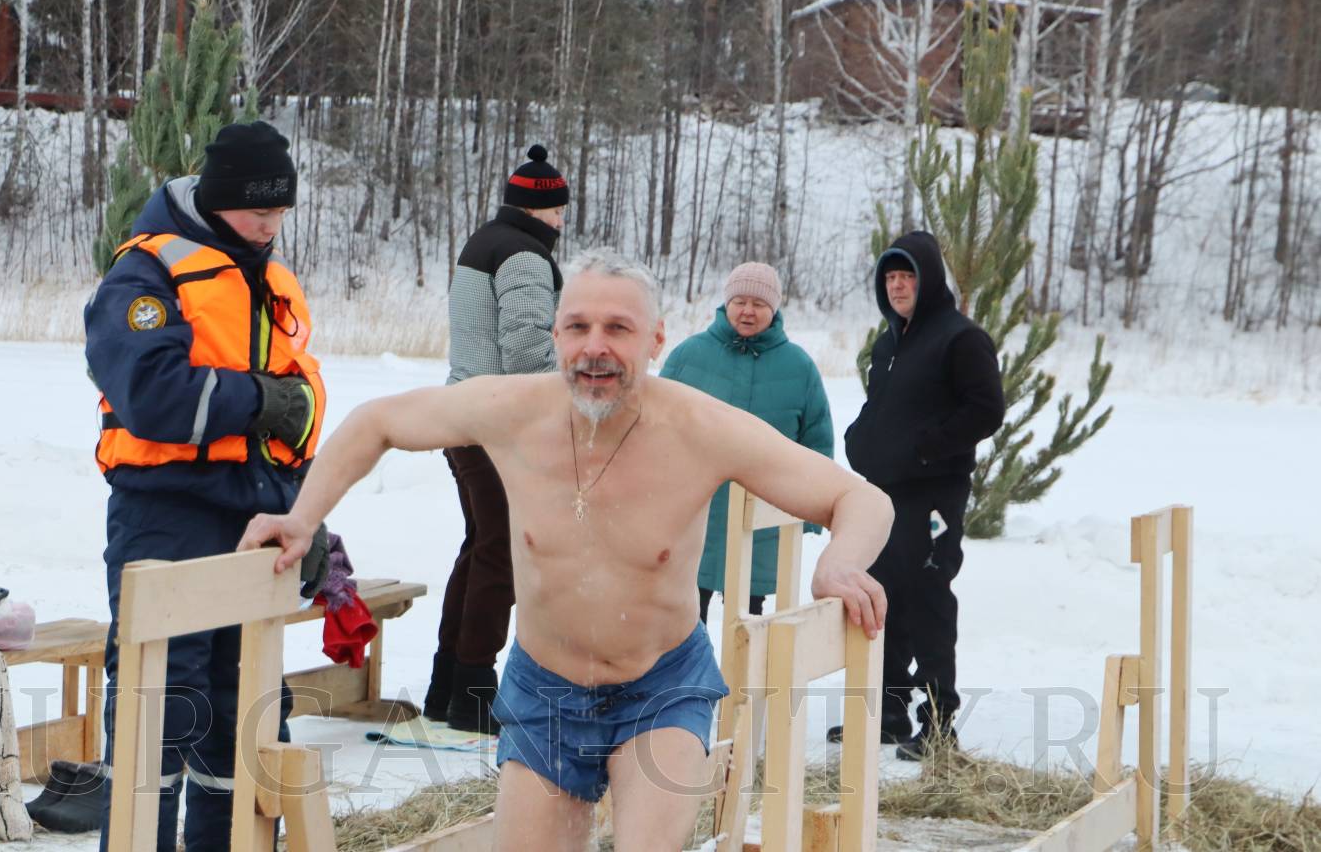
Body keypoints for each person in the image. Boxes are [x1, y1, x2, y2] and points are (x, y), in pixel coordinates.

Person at [239, 249, 893, 852]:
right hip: (544, 691)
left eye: (618, 329)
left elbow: (860, 499)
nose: (594, 347)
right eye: (577, 327)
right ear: (554, 337)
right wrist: (303, 518)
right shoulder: (511, 410)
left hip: (660, 686)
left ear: (656, 339)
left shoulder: (701, 429)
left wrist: (840, 563)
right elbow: (376, 423)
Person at [85, 120, 328, 852]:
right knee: (159, 708)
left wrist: (306, 514)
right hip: (167, 514)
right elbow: (151, 394)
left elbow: (295, 413)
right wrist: (257, 401)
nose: (270, 226)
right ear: (219, 200)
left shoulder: (267, 279)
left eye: (280, 211)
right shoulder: (145, 275)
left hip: (258, 517)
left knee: (246, 711)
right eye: (258, 211)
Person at [841, 230, 1005, 760]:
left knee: (928, 598)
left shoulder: (961, 339)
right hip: (885, 495)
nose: (897, 286)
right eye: (889, 277)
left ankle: (937, 725)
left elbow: (987, 410)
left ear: (928, 280)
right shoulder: (889, 342)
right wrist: (860, 439)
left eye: (906, 276)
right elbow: (882, 407)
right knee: (881, 596)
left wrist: (925, 449)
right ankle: (888, 715)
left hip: (935, 494)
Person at [426, 144, 568, 734]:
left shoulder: (482, 241)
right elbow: (528, 348)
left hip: (461, 414)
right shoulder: (525, 255)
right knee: (503, 554)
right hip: (498, 424)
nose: (561, 221)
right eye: (558, 210)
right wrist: (559, 409)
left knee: (480, 547)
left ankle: (447, 686)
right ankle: (474, 694)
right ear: (542, 209)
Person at [659, 262, 834, 622]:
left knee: (751, 620)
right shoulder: (689, 355)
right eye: (740, 302)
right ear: (727, 304)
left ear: (774, 309)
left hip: (764, 513)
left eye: (759, 304)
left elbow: (817, 441)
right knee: (686, 612)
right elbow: (657, 427)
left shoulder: (799, 367)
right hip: (696, 511)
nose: (748, 311)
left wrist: (813, 509)